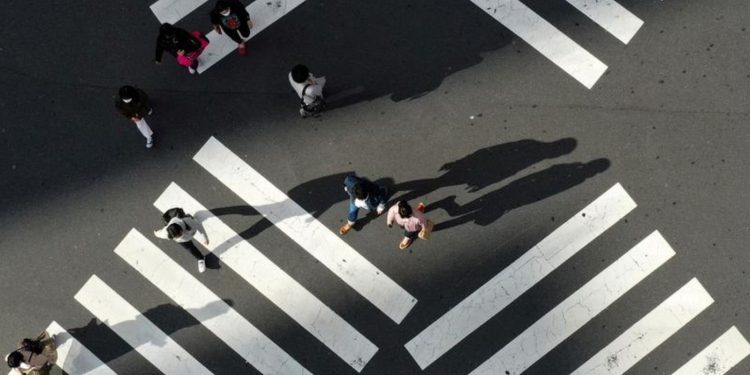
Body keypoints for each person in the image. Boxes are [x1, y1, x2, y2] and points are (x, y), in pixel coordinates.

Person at [154, 208, 210, 273]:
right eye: (177, 237)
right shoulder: (166, 234)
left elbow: (200, 228)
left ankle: (189, 215)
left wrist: (205, 238)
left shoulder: (189, 222)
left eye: (180, 235)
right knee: (190, 249)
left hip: (189, 228)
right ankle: (201, 258)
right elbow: (159, 234)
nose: (180, 237)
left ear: (181, 229)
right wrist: (156, 233)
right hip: (184, 240)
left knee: (191, 220)